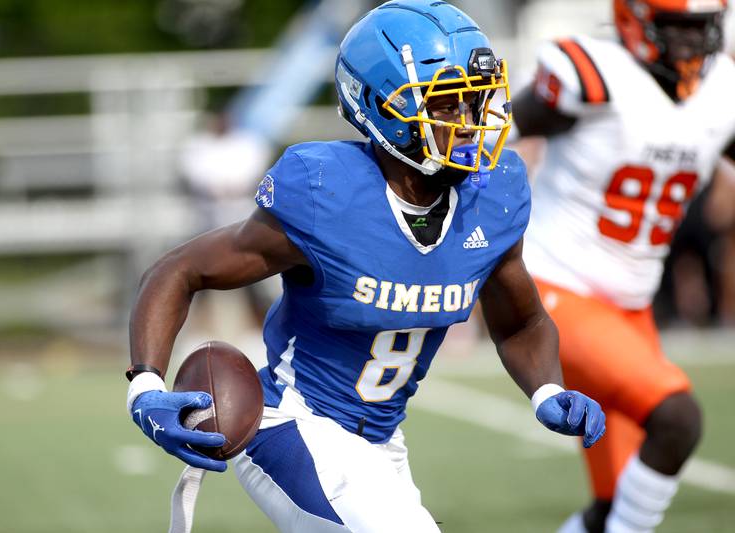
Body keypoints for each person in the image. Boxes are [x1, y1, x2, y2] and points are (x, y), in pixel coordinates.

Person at [125, 2, 606, 532]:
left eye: (474, 100)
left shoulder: (492, 199)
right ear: (379, 107)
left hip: (382, 445)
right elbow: (179, 270)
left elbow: (521, 321)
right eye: (446, 104)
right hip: (293, 424)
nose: (468, 122)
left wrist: (548, 392)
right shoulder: (325, 192)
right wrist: (145, 386)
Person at [511, 1, 735, 532]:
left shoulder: (723, 89)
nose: (690, 42)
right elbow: (495, 131)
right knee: (677, 418)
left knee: (616, 498)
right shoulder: (593, 72)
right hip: (557, 289)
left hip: (630, 309)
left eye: (700, 27)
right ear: (636, 17)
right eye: (677, 26)